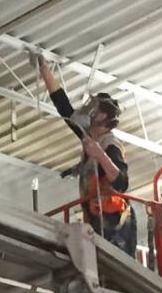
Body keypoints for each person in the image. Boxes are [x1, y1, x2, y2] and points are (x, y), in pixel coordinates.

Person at [36, 54, 137, 257]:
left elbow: (121, 182)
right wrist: (44, 70)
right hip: (96, 215)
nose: (90, 111)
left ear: (104, 117)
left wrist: (100, 155)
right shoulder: (90, 135)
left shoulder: (109, 143)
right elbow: (64, 107)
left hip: (115, 222)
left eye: (95, 109)